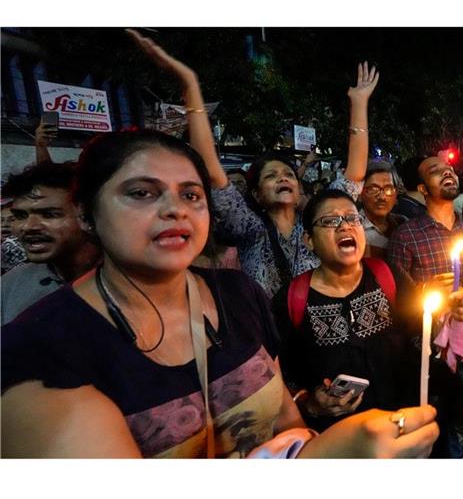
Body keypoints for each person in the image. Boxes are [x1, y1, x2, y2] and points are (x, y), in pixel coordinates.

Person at [0, 128, 438, 459]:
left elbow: (287, 420)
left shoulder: (237, 294)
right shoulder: (39, 352)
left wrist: (315, 440)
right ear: (86, 213)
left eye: (190, 194)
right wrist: (328, 461)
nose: (174, 209)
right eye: (141, 193)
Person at [127, 29, 378, 299]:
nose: (283, 178)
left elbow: (354, 175)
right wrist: (190, 86)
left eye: (288, 174)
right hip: (265, 335)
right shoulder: (249, 227)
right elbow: (211, 172)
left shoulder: (317, 225)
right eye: (271, 176)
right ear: (257, 193)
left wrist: (359, 103)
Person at [274, 189, 412, 432]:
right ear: (309, 240)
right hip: (335, 438)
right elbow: (278, 378)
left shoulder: (388, 276)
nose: (345, 226)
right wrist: (310, 403)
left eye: (352, 218)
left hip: (398, 425)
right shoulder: (291, 300)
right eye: (329, 221)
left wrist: (451, 313)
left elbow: (423, 329)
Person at [387, 154, 463, 458]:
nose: (447, 173)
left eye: (449, 170)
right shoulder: (406, 235)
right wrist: (426, 292)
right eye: (435, 171)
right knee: (429, 430)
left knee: (462, 428)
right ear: (422, 189)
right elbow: (395, 299)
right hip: (424, 353)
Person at [1, 161, 102, 324]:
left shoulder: (131, 282)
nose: (29, 226)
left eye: (49, 214)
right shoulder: (11, 285)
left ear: (88, 217)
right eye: (20, 216)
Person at [358, 161, 406, 259]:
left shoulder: (403, 225)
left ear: (396, 193)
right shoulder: (353, 229)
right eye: (373, 189)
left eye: (388, 189)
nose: (382, 197)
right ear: (360, 194)